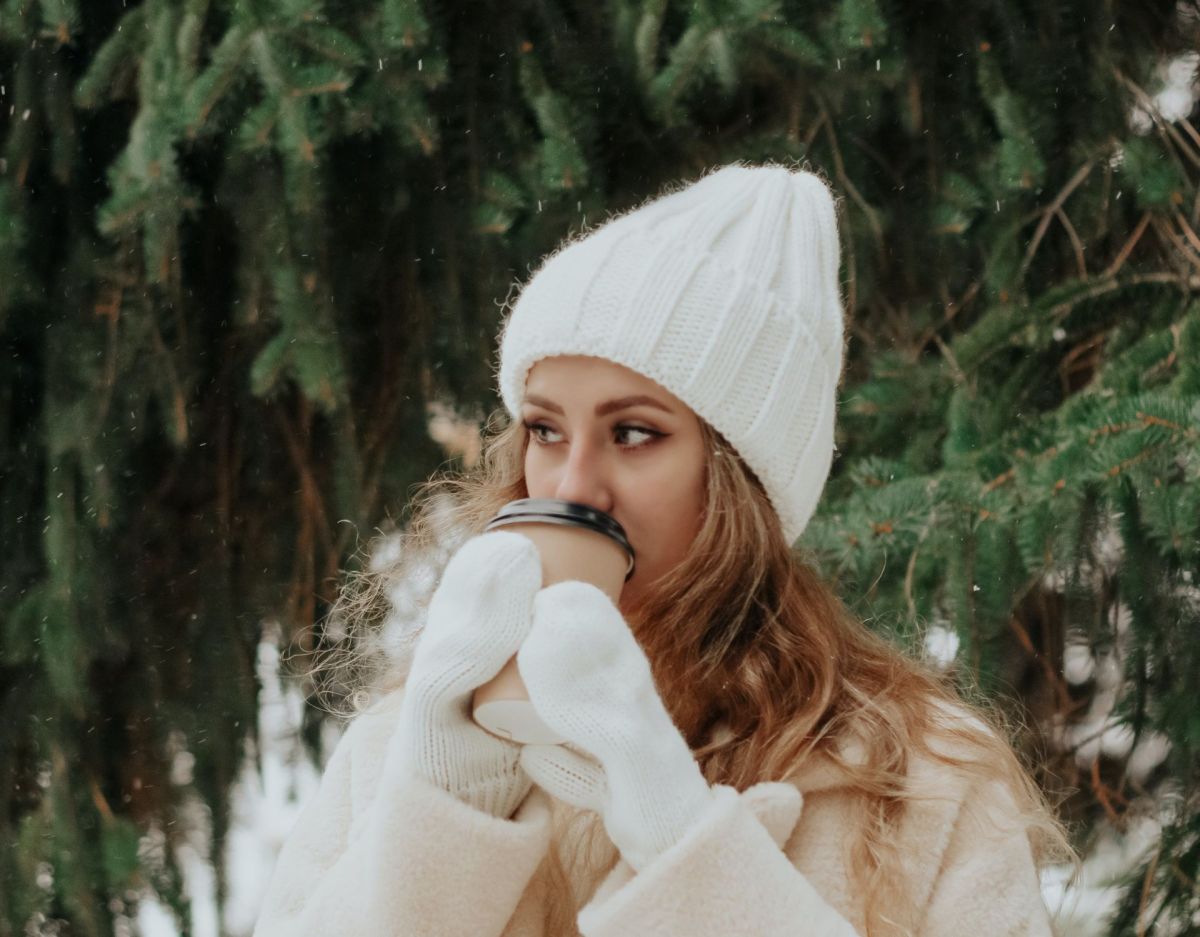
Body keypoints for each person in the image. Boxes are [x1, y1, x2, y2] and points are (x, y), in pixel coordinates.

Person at [253, 162, 1072, 937]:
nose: (572, 486)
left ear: (742, 479)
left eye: (633, 433)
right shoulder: (418, 737)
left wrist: (683, 843)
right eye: (544, 428)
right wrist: (441, 814)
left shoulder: (919, 782)